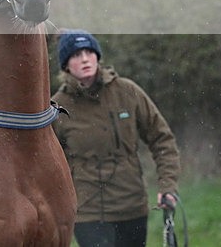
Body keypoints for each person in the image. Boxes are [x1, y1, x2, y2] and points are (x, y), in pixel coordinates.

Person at [51, 30, 180, 247]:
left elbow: (162, 139)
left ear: (97, 56)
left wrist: (168, 186)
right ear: (65, 65)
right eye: (75, 55)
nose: (84, 59)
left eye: (88, 52)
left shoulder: (128, 92)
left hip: (131, 206)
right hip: (87, 212)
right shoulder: (56, 108)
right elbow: (47, 164)